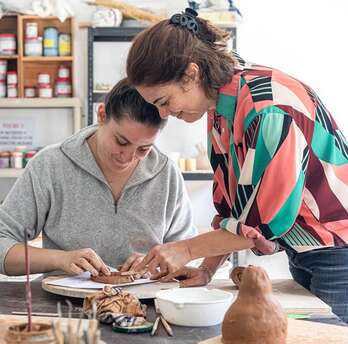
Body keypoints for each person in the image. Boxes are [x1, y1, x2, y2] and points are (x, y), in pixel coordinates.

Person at [126, 8, 348, 322]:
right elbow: (237, 213)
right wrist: (205, 270)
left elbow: (261, 222)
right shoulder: (221, 106)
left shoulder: (268, 108)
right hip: (308, 250)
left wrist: (184, 250)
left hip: (340, 250)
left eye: (164, 101)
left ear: (191, 74)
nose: (163, 114)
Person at [0, 78, 196, 278]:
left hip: (143, 310)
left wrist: (158, 263)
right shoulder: (51, 164)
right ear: (101, 115)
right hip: (64, 310)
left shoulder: (166, 173)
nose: (128, 158)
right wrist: (60, 259)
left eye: (144, 149)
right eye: (121, 142)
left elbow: (188, 257)